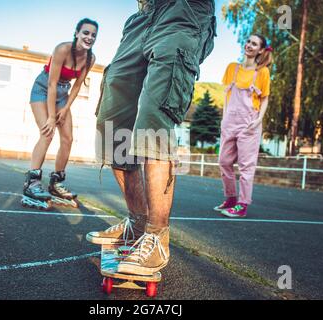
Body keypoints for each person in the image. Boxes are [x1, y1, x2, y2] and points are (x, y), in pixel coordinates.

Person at [86, 0, 216, 276]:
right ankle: (138, 223)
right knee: (111, 123)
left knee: (153, 116)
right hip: (142, 16)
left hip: (182, 10)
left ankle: (157, 238)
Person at [23, 18, 98, 209]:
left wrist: (64, 109)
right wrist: (50, 116)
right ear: (77, 33)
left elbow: (77, 85)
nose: (89, 37)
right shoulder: (62, 49)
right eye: (86, 33)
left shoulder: (90, 58)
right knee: (47, 133)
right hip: (43, 89)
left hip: (63, 94)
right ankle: (32, 182)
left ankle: (56, 182)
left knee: (68, 138)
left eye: (93, 35)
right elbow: (51, 84)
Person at [213, 34, 273, 218]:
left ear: (261, 50)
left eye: (254, 44)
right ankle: (231, 198)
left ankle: (242, 205)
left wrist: (258, 120)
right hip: (230, 122)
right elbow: (226, 95)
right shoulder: (232, 68)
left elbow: (264, 99)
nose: (249, 45)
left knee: (246, 166)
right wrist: (224, 118)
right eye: (248, 42)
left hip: (249, 124)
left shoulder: (262, 72)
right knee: (224, 161)